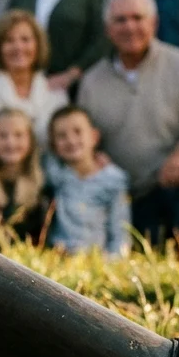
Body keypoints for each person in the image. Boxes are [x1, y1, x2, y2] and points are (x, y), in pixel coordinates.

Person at [77, 0, 179, 245]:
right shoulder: (91, 81)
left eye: (137, 18)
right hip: (122, 194)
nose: (129, 27)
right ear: (107, 29)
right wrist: (91, 155)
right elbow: (83, 138)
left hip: (170, 184)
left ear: (154, 23)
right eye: (120, 20)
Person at [0, 10, 66, 207]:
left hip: (47, 196)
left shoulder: (56, 94)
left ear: (38, 45)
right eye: (9, 41)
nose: (18, 47)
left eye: (25, 39)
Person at [45, 106, 130, 256]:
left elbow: (120, 231)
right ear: (54, 145)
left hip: (97, 258)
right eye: (61, 136)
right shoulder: (56, 174)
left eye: (78, 132)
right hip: (59, 256)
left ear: (94, 137)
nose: (71, 140)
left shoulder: (112, 181)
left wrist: (113, 260)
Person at [0, 109, 51, 244]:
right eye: (2, 136)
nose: (10, 143)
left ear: (31, 140)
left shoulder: (44, 183)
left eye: (18, 135)